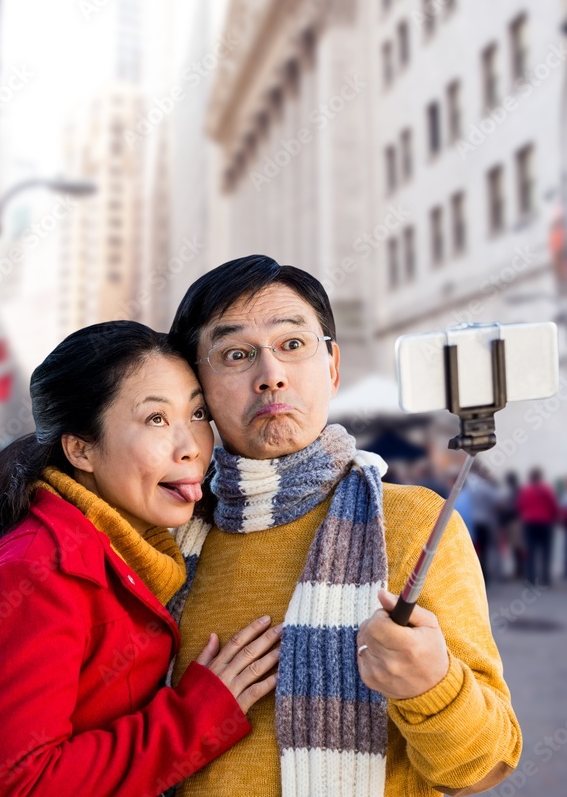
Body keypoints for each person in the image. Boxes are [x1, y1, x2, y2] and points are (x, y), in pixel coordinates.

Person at [167, 255, 522, 797]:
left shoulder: (414, 524)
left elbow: (486, 764)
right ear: (198, 393)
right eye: (236, 354)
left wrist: (432, 685)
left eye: (292, 344)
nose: (272, 375)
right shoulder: (165, 538)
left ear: (332, 367)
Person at [0, 321, 282, 797]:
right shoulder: (33, 575)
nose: (191, 448)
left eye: (198, 413)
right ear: (81, 449)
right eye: (156, 420)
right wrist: (197, 716)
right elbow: (19, 786)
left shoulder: (129, 550)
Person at [517, 466, 560, 586]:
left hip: (529, 522)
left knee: (530, 551)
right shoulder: (546, 489)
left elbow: (520, 506)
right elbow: (553, 505)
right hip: (545, 522)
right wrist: (554, 517)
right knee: (546, 551)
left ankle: (530, 579)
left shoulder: (526, 490)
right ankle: (545, 578)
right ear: (540, 476)